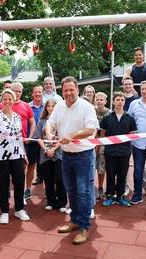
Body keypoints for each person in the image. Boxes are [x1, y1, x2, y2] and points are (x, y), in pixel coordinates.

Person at [46, 76, 99, 245]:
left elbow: (91, 129)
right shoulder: (60, 105)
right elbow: (50, 123)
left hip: (84, 155)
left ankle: (84, 227)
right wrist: (50, 136)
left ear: (77, 90)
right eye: (65, 90)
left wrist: (72, 136)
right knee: (71, 189)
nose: (68, 93)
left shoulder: (87, 107)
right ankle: (75, 221)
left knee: (83, 192)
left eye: (71, 90)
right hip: (66, 155)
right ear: (62, 91)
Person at [0, 89, 30, 224]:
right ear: (1, 101)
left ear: (13, 101)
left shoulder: (17, 117)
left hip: (17, 154)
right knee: (3, 184)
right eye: (5, 99)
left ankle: (19, 209)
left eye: (10, 99)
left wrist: (24, 153)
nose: (7, 101)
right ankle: (5, 211)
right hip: (0, 156)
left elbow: (18, 136)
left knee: (19, 182)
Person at [0, 82, 36, 200]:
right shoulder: (3, 104)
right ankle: (10, 193)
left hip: (22, 143)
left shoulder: (26, 106)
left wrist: (29, 137)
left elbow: (32, 123)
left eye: (20, 91)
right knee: (8, 170)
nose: (17, 93)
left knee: (22, 169)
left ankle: (23, 192)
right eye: (15, 90)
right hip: (6, 144)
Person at [101, 92, 137, 207]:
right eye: (117, 100)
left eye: (122, 100)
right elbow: (102, 134)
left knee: (122, 175)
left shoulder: (130, 119)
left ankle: (120, 196)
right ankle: (110, 196)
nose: (120, 102)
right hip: (110, 152)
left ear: (124, 102)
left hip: (124, 152)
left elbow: (132, 135)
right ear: (113, 102)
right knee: (111, 174)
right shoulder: (107, 118)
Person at [35, 99, 67, 212]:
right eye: (48, 106)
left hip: (58, 154)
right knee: (48, 179)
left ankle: (62, 202)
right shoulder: (42, 121)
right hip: (45, 154)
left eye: (53, 106)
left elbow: (63, 137)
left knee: (60, 178)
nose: (51, 108)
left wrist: (53, 148)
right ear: (46, 108)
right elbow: (38, 137)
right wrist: (46, 149)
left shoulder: (61, 120)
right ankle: (51, 201)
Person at [128, 81, 146, 205]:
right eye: (142, 89)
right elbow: (129, 120)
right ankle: (137, 195)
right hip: (138, 143)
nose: (144, 91)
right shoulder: (134, 104)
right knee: (138, 169)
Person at [27, 85, 45, 188]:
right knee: (31, 165)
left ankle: (49, 192)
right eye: (35, 92)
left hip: (45, 141)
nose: (38, 94)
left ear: (43, 93)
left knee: (46, 166)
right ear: (32, 94)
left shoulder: (48, 106)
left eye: (40, 92)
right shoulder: (27, 106)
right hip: (32, 141)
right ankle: (28, 189)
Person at [94, 92, 110, 200]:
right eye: (97, 99)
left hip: (104, 141)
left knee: (101, 166)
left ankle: (100, 187)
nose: (99, 101)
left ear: (105, 101)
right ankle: (91, 187)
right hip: (91, 140)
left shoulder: (109, 113)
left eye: (101, 99)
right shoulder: (91, 110)